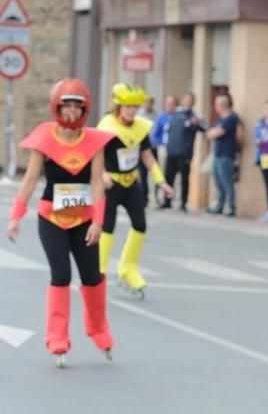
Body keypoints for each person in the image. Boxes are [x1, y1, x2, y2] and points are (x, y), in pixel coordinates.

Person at [6, 79, 116, 366]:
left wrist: (97, 222)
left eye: (75, 108)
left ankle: (98, 329)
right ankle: (57, 338)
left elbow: (96, 184)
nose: (70, 113)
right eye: (65, 107)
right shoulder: (44, 137)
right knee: (61, 274)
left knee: (92, 277)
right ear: (56, 108)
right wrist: (15, 217)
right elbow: (30, 179)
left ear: (84, 111)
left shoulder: (94, 141)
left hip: (84, 220)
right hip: (52, 218)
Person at [97, 83, 174, 298]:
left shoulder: (140, 127)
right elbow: (96, 154)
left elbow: (147, 156)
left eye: (135, 107)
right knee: (107, 228)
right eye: (128, 106)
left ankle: (127, 268)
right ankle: (99, 272)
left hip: (131, 183)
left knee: (140, 225)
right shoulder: (107, 127)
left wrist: (161, 182)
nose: (132, 111)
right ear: (118, 106)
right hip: (111, 183)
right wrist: (102, 175)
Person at [163, 92, 205, 211]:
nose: (187, 101)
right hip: (172, 151)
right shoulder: (176, 114)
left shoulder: (194, 116)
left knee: (184, 178)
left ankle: (183, 202)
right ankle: (167, 201)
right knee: (168, 177)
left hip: (184, 152)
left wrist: (196, 123)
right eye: (185, 99)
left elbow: (203, 128)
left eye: (189, 100)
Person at [206, 93, 242, 216]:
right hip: (218, 153)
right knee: (218, 181)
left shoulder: (231, 118)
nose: (215, 106)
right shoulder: (220, 119)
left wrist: (213, 132)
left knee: (227, 182)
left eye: (217, 104)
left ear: (223, 105)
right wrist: (212, 132)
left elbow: (216, 133)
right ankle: (219, 205)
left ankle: (231, 206)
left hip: (227, 154)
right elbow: (211, 133)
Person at [151, 95, 177, 208]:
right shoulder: (162, 117)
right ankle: (158, 196)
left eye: (172, 104)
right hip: (163, 148)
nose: (169, 106)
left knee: (170, 174)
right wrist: (159, 144)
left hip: (174, 148)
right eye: (167, 104)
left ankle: (168, 198)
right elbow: (155, 134)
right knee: (160, 172)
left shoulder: (177, 117)